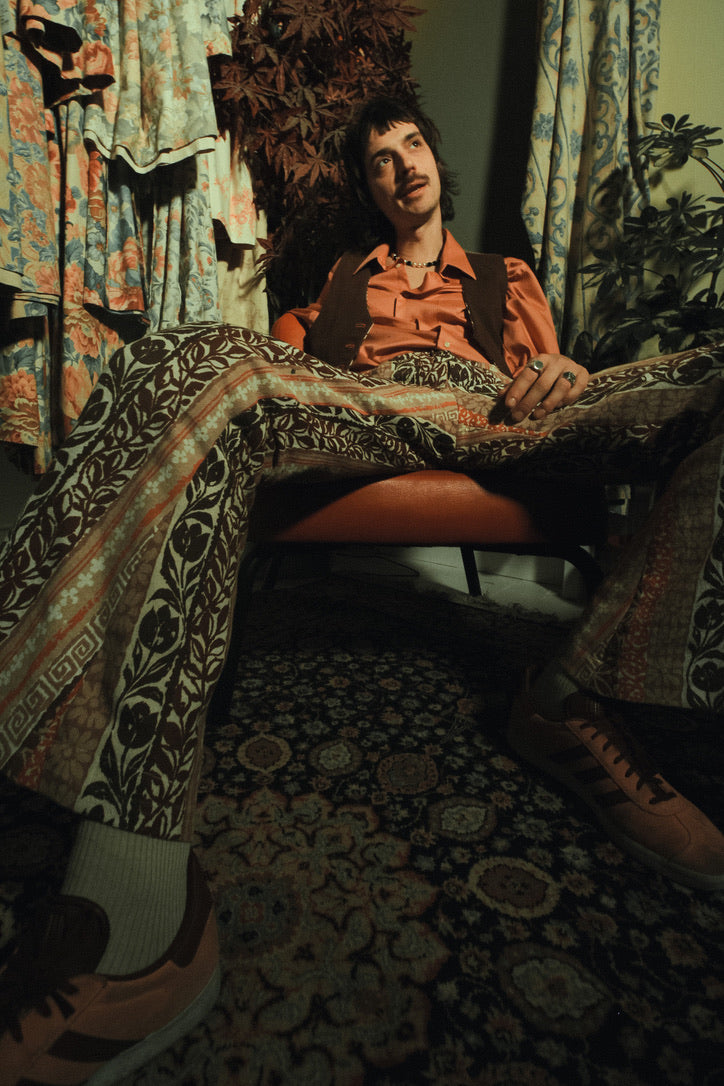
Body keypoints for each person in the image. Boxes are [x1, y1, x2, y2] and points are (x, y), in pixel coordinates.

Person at [1, 93, 723, 1084]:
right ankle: (134, 905)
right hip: (374, 404)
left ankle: (574, 696)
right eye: (382, 158)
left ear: (434, 159)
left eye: (413, 144)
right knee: (182, 355)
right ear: (371, 188)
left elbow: (549, 369)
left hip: (506, 410)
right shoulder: (340, 285)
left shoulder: (506, 278)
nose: (404, 164)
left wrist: (558, 369)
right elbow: (295, 390)